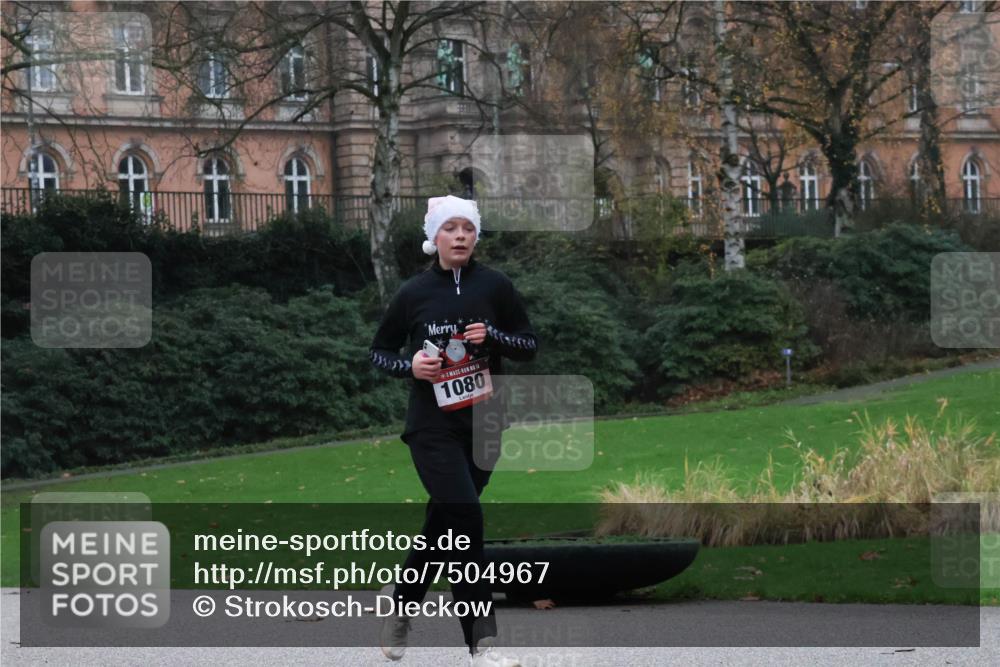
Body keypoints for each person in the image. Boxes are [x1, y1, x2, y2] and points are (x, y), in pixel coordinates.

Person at [369, 195, 538, 667]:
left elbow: (529, 345)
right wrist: (411, 367)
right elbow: (378, 352)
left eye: (468, 228)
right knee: (465, 521)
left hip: (485, 426)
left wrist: (496, 336)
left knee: (444, 524)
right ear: (434, 238)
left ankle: (401, 604)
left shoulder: (496, 286)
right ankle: (481, 645)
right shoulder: (412, 293)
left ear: (476, 236)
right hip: (432, 428)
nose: (460, 235)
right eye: (451, 228)